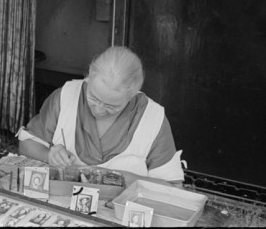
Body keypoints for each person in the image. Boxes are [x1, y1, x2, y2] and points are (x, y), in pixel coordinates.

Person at [17, 46, 184, 184]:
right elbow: (26, 145)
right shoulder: (66, 96)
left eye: (112, 106)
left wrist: (118, 178)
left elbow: (172, 187)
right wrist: (49, 155)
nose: (99, 109)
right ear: (88, 76)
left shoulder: (152, 118)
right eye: (93, 98)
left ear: (133, 95)